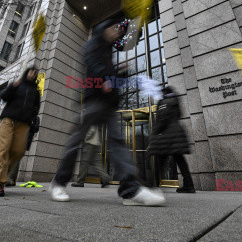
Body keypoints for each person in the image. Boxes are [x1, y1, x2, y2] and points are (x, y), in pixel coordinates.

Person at [50, 18, 165, 206]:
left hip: (109, 104)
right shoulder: (93, 44)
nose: (117, 32)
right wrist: (104, 78)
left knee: (117, 142)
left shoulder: (108, 50)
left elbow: (109, 75)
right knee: (76, 140)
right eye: (115, 28)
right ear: (105, 28)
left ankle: (131, 191)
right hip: (93, 101)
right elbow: (92, 63)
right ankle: (59, 182)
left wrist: (120, 73)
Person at [0, 67, 40, 196]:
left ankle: (3, 175)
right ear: (26, 72)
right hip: (8, 121)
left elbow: (36, 107)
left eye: (35, 73)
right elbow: (4, 96)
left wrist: (32, 118)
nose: (33, 74)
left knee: (19, 151)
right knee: (4, 149)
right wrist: (12, 86)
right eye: (31, 71)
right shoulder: (17, 84)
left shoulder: (36, 91)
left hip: (23, 124)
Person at [146, 86, 195, 193]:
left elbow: (162, 119)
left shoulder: (165, 102)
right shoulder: (175, 101)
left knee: (161, 160)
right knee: (180, 161)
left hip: (168, 136)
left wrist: (154, 133)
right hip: (176, 133)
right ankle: (189, 185)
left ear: (164, 93)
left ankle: (151, 185)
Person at [5, 115, 40, 187]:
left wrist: (30, 123)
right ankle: (11, 179)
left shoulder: (36, 118)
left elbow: (36, 129)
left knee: (16, 158)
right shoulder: (21, 114)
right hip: (16, 138)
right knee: (13, 157)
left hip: (25, 139)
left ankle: (11, 179)